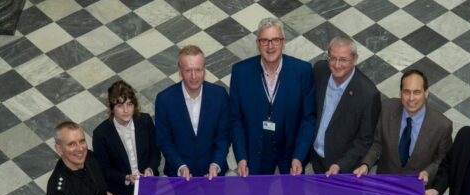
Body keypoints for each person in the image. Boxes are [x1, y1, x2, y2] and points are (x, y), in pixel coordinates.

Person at [230, 17, 315, 176]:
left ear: (283, 42)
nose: (270, 46)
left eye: (275, 40)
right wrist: (241, 157)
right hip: (255, 155)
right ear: (257, 43)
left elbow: (308, 119)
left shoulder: (302, 71)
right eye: (264, 41)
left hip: (292, 155)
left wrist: (299, 156)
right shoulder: (240, 72)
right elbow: (235, 119)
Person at [93, 80, 160, 195]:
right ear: (112, 107)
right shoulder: (101, 134)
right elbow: (103, 169)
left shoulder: (145, 121)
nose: (125, 110)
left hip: (147, 189)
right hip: (122, 193)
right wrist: (126, 177)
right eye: (120, 105)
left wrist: (150, 170)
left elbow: (155, 152)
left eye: (129, 104)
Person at [354, 69, 452, 184]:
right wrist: (366, 164)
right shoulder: (386, 109)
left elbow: (442, 159)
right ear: (400, 93)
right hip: (386, 182)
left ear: (426, 93)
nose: (411, 98)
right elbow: (377, 143)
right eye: (406, 92)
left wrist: (428, 172)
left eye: (416, 92)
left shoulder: (442, 125)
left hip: (416, 187)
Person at [155, 45, 230, 180]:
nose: (194, 76)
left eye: (198, 70)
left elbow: (223, 137)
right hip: (179, 175)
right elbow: (164, 141)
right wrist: (180, 166)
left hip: (213, 174)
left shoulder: (220, 95)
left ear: (204, 70)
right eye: (188, 70)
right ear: (180, 71)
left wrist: (215, 164)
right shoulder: (164, 100)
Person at [311, 35, 381, 175]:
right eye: (333, 58)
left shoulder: (368, 94)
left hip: (344, 167)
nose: (336, 65)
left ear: (355, 59)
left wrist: (341, 164)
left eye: (343, 59)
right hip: (316, 158)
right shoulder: (320, 70)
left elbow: (365, 140)